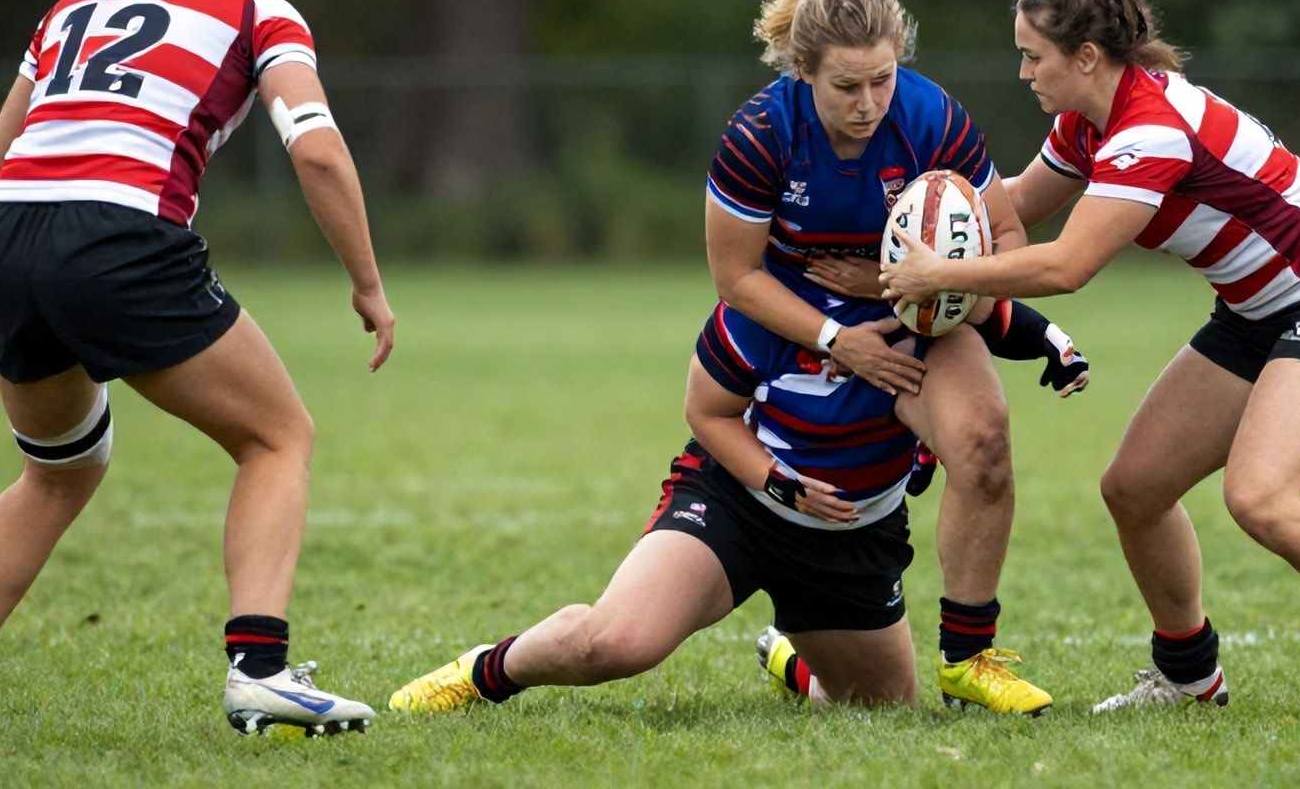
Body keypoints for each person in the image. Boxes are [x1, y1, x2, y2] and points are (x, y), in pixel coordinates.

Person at [0, 0, 393, 746]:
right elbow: (318, 149)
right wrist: (367, 284)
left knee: (57, 470)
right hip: (117, 237)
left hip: (4, 234)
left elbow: (0, 149)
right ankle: (261, 674)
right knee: (277, 437)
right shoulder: (256, 4)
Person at [882, 0, 1300, 725]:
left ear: (1085, 57)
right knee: (1135, 488)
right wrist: (912, 215)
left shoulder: (1150, 130)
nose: (1024, 73)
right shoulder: (1088, 123)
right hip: (1257, 311)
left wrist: (941, 274)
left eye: (1033, 57)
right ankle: (1189, 673)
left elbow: (1069, 265)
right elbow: (1016, 207)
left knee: (1261, 497)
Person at [701, 0, 1090, 714]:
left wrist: (894, 281)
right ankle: (790, 648)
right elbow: (735, 278)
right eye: (847, 86)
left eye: (882, 79)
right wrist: (834, 336)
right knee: (876, 695)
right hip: (797, 332)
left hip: (920, 314)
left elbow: (1006, 241)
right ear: (804, 71)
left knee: (985, 440)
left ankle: (968, 660)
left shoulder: (931, 117)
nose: (869, 103)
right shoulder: (761, 133)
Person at [388, 301, 954, 712]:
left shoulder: (933, 304)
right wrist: (779, 483)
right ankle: (484, 671)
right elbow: (705, 409)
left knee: (882, 708)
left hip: (851, 531)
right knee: (614, 642)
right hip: (738, 499)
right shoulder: (768, 295)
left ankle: (794, 662)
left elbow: (993, 300)